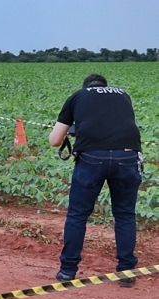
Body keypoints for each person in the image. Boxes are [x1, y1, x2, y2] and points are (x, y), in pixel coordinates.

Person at [48, 74, 143, 288]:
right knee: (125, 214)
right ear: (105, 86)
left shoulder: (78, 96)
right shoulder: (123, 95)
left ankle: (67, 271)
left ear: (86, 87)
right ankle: (126, 272)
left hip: (92, 158)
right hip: (127, 156)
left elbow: (54, 141)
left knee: (77, 215)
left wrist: (70, 133)